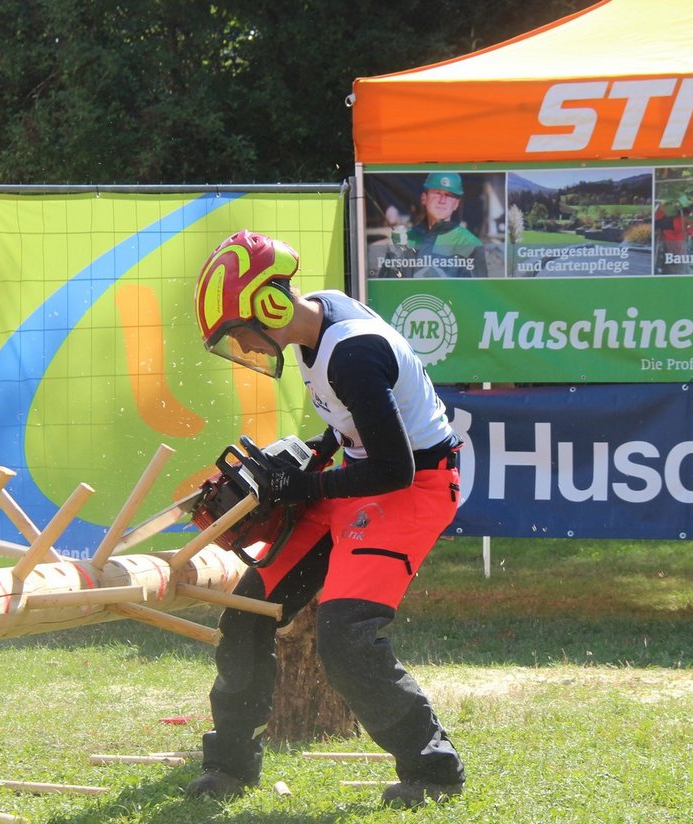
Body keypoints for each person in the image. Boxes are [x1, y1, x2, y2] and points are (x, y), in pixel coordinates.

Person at [186, 229, 466, 809]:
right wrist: (310, 456)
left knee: (346, 636)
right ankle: (229, 766)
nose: (244, 345)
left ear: (270, 304)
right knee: (247, 612)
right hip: (359, 477)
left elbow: (394, 469)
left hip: (413, 487)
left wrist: (303, 486)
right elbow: (353, 423)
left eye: (240, 332)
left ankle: (433, 771)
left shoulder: (354, 354)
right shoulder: (317, 321)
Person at [387, 172, 487, 277]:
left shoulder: (470, 244)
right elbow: (389, 283)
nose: (442, 201)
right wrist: (395, 255)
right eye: (437, 193)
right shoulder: (407, 239)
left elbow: (479, 286)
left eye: (448, 195)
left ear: (456, 204)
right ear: (424, 198)